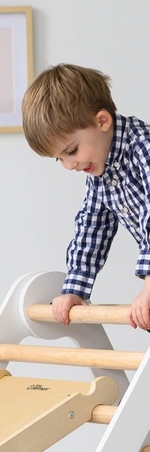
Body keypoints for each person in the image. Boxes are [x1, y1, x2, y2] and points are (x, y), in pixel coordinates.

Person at [21, 63, 150, 330]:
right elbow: (92, 227)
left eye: (71, 151)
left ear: (102, 121)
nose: (69, 166)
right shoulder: (101, 171)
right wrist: (75, 288)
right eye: (59, 159)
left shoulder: (143, 148)